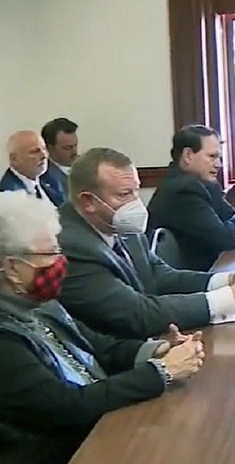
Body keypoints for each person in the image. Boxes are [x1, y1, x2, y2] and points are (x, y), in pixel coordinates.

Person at [0, 191, 205, 463]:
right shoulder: (5, 340)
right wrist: (162, 372)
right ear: (13, 268)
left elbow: (100, 347)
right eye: (50, 253)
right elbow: (67, 406)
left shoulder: (40, 304)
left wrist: (159, 349)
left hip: (102, 427)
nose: (61, 262)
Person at [57, 147, 235, 339]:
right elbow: (137, 314)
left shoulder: (119, 226)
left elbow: (160, 277)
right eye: (124, 194)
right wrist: (232, 297)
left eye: (136, 190)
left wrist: (230, 279)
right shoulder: (70, 246)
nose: (135, 203)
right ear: (88, 202)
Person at [147, 125, 235, 271]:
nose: (218, 164)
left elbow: (231, 217)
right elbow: (224, 239)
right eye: (212, 156)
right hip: (189, 282)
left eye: (219, 158)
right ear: (188, 155)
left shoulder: (203, 183)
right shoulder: (183, 189)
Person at [0, 130, 65, 207]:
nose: (44, 156)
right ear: (15, 159)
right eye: (35, 151)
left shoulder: (51, 178)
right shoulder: (8, 195)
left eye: (44, 149)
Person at [40, 117, 79, 197]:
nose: (74, 152)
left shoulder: (87, 166)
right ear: (49, 148)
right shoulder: (43, 179)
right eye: (68, 148)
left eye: (75, 145)